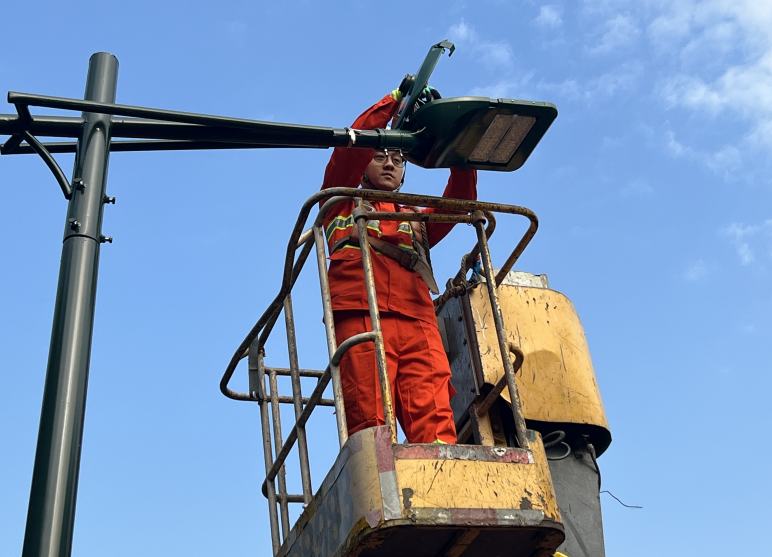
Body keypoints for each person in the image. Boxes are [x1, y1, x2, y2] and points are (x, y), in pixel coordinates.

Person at [320, 84, 477, 444]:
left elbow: (460, 199)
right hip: (363, 314)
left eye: (398, 158)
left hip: (419, 326)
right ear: (365, 165)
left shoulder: (416, 219)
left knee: (436, 426)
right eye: (380, 156)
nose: (390, 162)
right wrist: (393, 103)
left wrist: (456, 147)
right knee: (372, 426)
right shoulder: (340, 201)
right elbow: (349, 148)